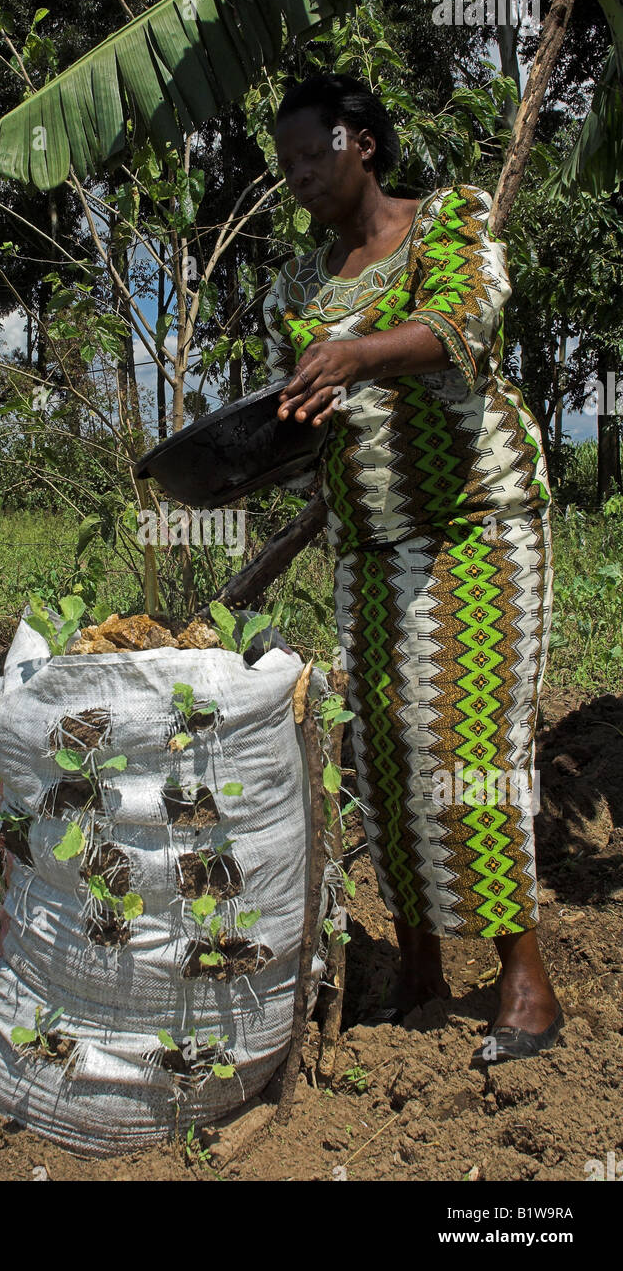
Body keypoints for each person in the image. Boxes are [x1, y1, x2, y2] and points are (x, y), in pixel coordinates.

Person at [263, 73, 562, 1062]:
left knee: (465, 742)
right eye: (288, 163)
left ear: (364, 145)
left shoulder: (448, 223)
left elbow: (466, 328)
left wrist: (356, 358)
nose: (299, 174)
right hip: (374, 542)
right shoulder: (307, 287)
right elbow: (314, 413)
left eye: (313, 153)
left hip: (478, 521)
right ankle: (419, 963)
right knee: (382, 754)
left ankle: (526, 984)